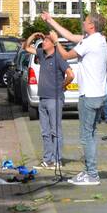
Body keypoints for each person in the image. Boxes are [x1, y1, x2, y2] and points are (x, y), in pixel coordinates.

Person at [42, 11, 107, 186]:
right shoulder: (100, 39)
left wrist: (56, 42)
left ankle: (92, 174)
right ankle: (89, 171)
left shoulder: (89, 43)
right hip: (99, 94)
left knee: (86, 136)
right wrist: (51, 20)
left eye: (85, 21)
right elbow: (70, 36)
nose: (83, 23)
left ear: (92, 26)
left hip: (88, 95)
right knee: (91, 134)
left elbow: (65, 55)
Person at [22, 31, 74, 169]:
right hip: (43, 98)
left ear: (52, 43)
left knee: (55, 131)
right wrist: (34, 35)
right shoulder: (41, 54)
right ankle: (47, 159)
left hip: (54, 99)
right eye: (43, 40)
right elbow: (26, 47)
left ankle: (57, 160)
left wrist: (63, 85)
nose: (43, 43)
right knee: (45, 131)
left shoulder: (59, 57)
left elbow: (71, 74)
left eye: (45, 41)